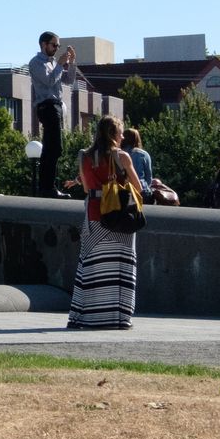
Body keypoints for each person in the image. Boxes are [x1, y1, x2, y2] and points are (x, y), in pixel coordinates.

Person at [66, 116, 142, 331]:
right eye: (120, 132)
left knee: (90, 265)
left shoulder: (84, 156)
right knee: (120, 267)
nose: (122, 136)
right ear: (112, 134)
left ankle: (86, 317)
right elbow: (137, 186)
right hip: (120, 217)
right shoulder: (122, 157)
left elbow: (85, 188)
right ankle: (117, 318)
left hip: (94, 216)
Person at [27, 33, 81, 198]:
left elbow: (69, 81)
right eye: (54, 45)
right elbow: (48, 81)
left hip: (56, 106)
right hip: (47, 106)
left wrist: (70, 64)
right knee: (54, 148)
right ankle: (47, 187)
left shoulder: (53, 63)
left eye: (58, 46)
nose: (57, 48)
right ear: (44, 45)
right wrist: (59, 64)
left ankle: (47, 187)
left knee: (52, 147)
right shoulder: (36, 63)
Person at [120, 128, 179, 206]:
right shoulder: (143, 154)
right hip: (142, 191)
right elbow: (148, 179)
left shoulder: (119, 154)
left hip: (123, 191)